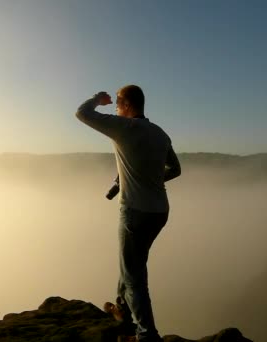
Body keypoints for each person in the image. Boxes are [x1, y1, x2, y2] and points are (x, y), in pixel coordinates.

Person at [75, 85, 181, 342]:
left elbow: (82, 113)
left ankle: (147, 335)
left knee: (134, 277)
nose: (115, 107)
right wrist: (152, 180)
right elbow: (175, 169)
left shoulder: (124, 128)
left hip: (135, 212)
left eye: (116, 103)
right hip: (159, 212)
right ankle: (121, 310)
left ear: (126, 103)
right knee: (132, 263)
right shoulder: (160, 133)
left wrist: (97, 100)